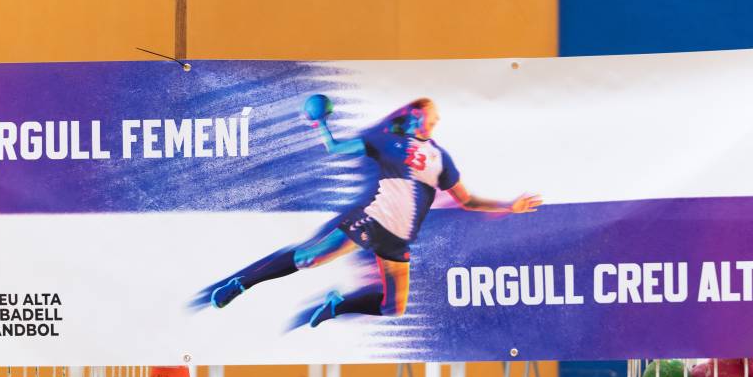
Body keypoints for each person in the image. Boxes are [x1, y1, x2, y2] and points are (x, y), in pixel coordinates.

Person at [208, 95, 542, 327]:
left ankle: (339, 305)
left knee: (393, 308)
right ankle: (241, 284)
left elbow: (467, 200)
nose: (436, 121)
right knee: (310, 258)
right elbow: (335, 147)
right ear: (415, 113)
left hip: (398, 240)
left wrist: (510, 206)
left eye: (438, 119)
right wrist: (321, 123)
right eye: (432, 114)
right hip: (374, 219)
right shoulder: (387, 142)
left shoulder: (441, 158)